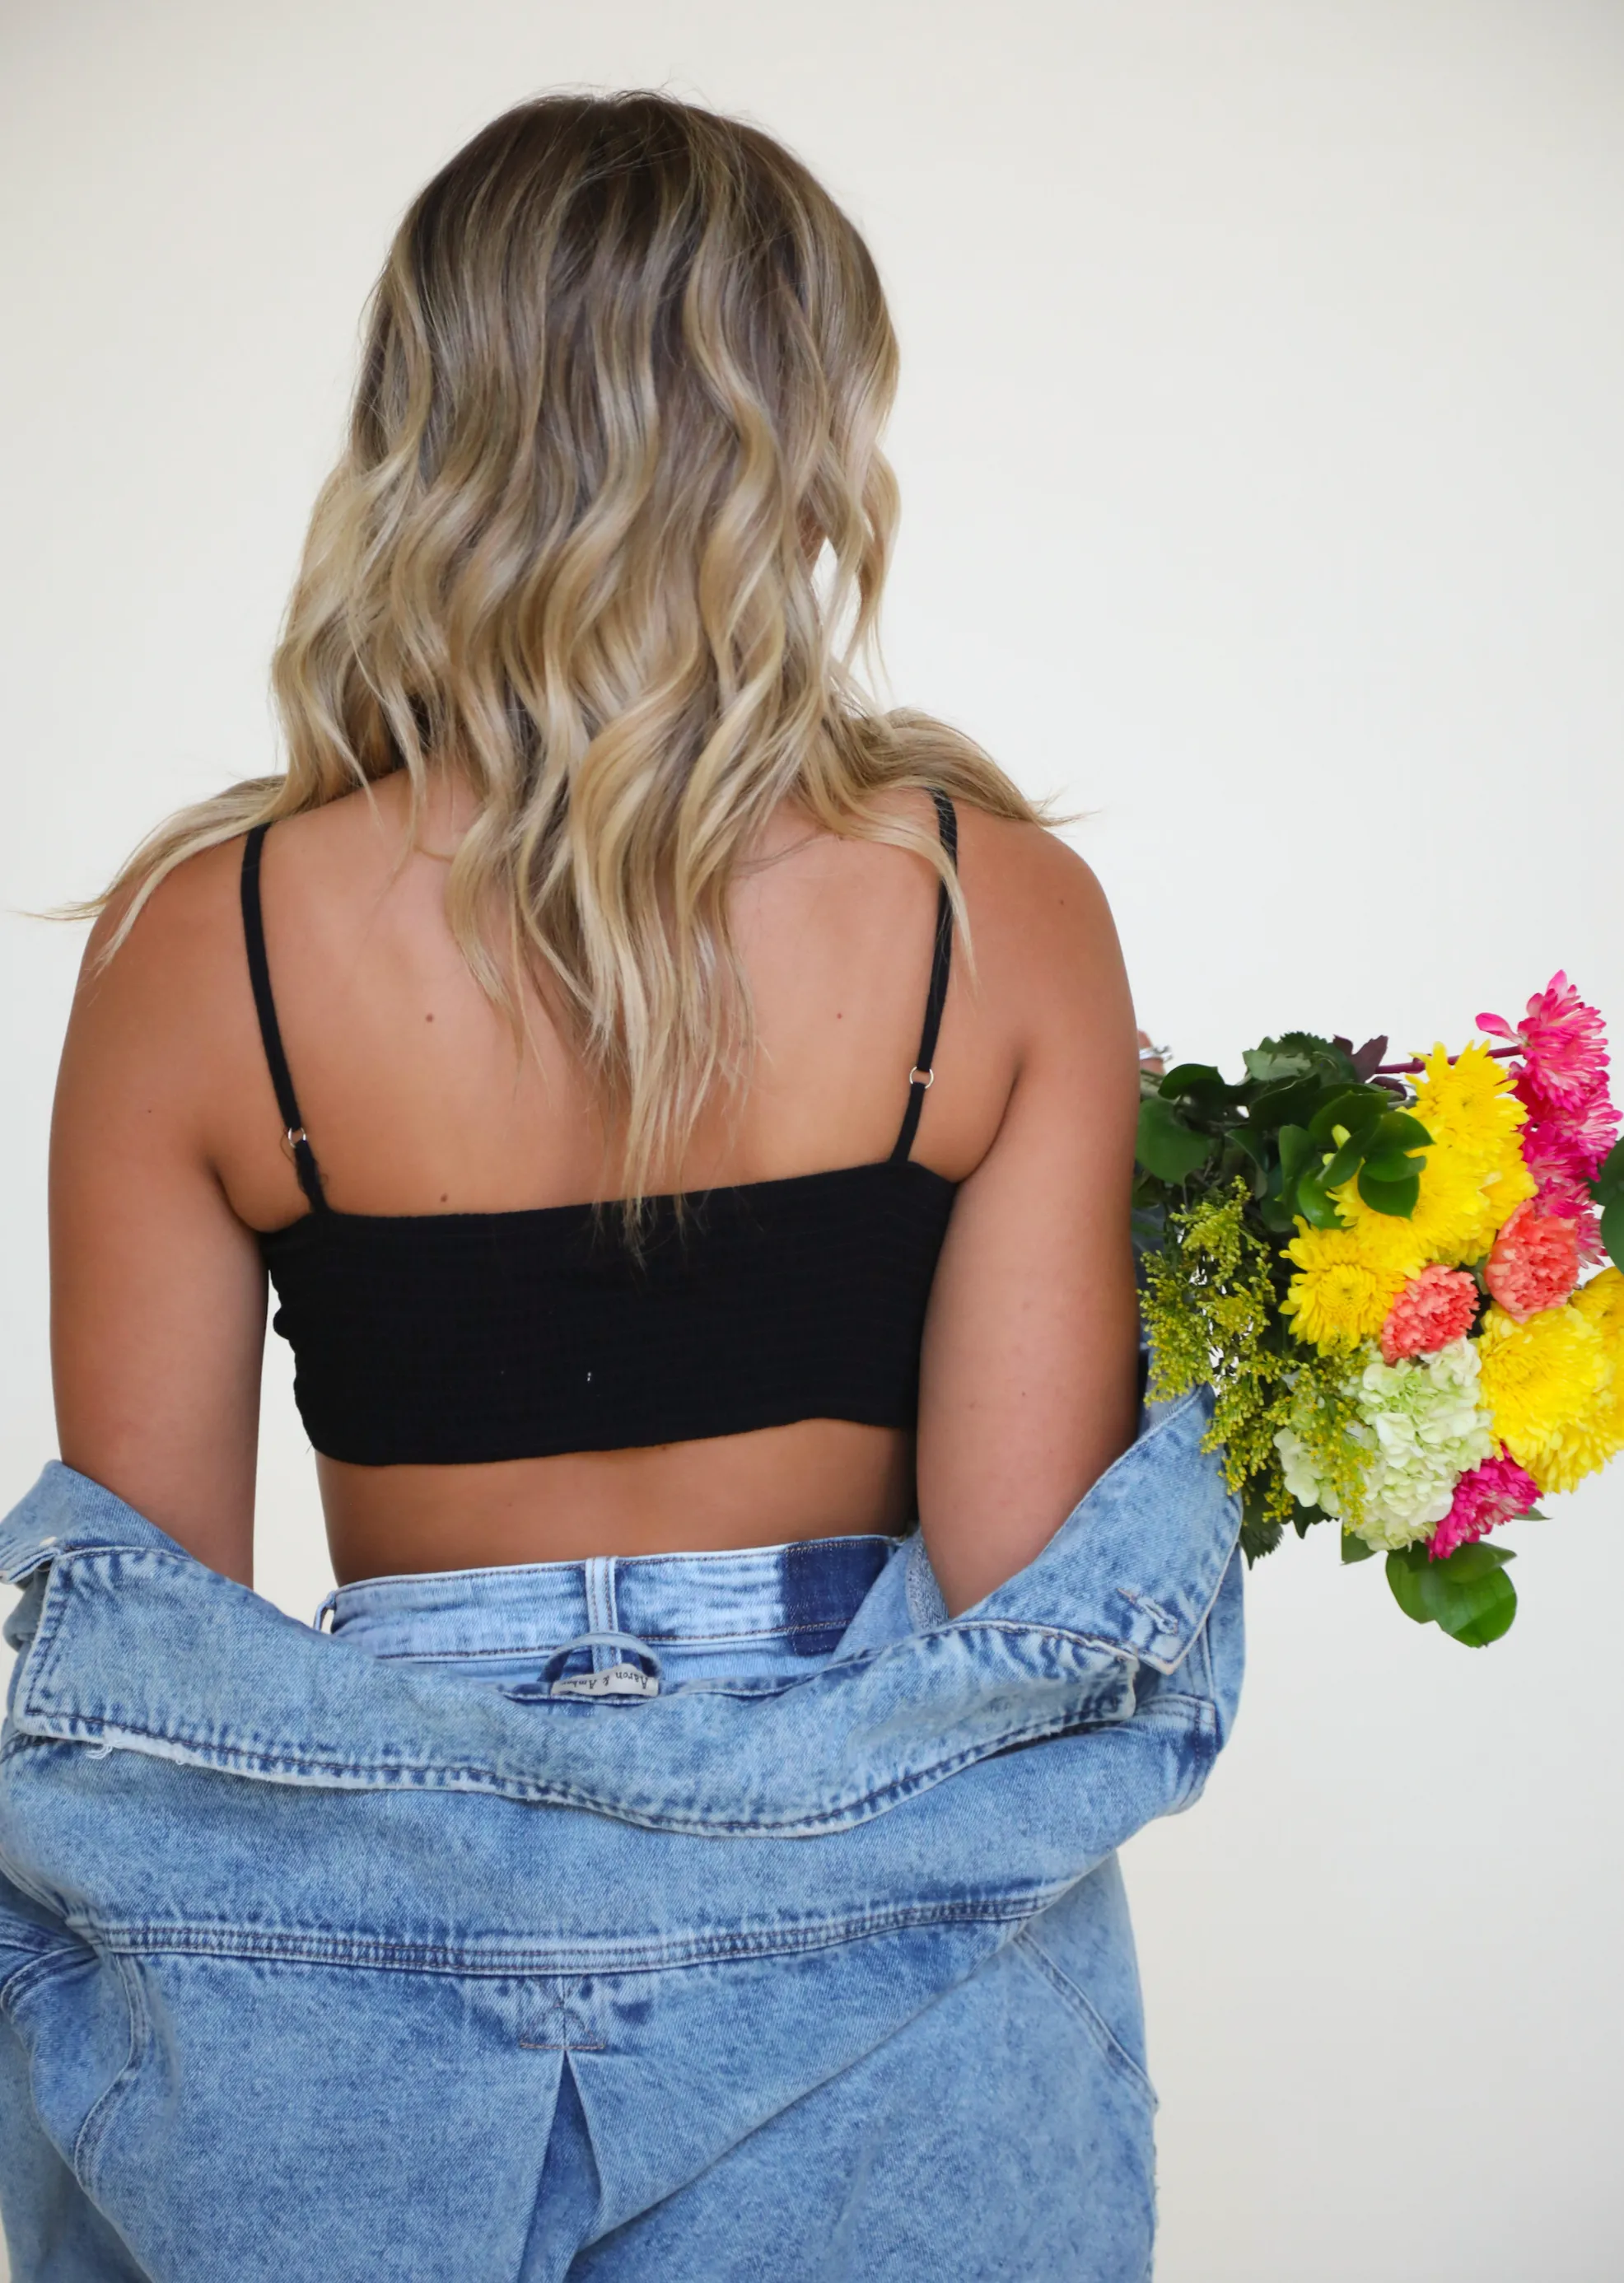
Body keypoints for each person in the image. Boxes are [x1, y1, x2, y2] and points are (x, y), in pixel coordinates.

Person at [0, 92, 1241, 2282]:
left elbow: (161, 1682)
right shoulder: (991, 911)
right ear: (797, 433)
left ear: (418, 424)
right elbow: (1023, 1611)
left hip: (374, 1944)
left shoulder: (202, 947)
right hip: (880, 1939)